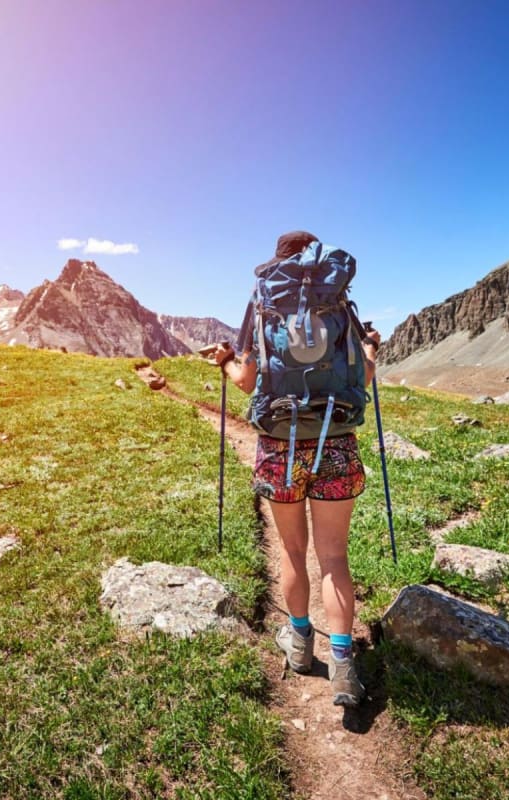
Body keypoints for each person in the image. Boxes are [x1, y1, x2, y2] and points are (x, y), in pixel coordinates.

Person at [211, 231, 380, 707]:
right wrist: (370, 349)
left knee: (291, 548)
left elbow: (245, 382)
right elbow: (362, 377)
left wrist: (225, 361)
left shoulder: (265, 302)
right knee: (334, 558)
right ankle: (344, 664)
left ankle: (301, 644)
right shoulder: (339, 304)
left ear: (279, 260)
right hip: (336, 442)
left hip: (280, 445)